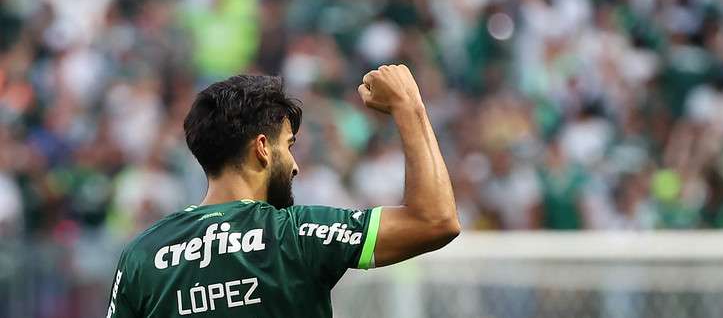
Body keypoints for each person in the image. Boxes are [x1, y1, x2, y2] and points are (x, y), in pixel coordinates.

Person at [104, 65, 460, 318]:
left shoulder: (142, 253)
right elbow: (435, 220)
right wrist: (409, 106)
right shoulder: (294, 234)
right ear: (262, 147)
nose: (295, 165)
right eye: (289, 146)